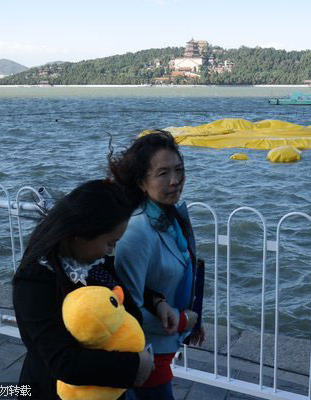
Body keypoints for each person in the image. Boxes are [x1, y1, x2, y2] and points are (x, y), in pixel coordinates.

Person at [12, 179, 154, 399]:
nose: (111, 251)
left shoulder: (93, 264)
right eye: (110, 242)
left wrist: (157, 301)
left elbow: (121, 298)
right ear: (80, 233)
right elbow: (64, 361)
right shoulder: (34, 282)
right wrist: (134, 365)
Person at [109, 130, 205, 400]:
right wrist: (184, 320)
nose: (175, 181)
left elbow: (179, 275)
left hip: (163, 347)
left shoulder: (169, 217)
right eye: (163, 173)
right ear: (142, 182)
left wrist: (193, 317)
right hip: (145, 354)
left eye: (179, 170)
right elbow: (127, 310)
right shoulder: (137, 230)